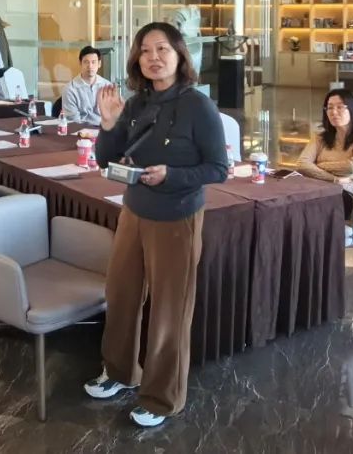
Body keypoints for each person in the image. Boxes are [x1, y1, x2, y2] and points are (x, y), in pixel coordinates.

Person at [83, 22, 228, 428]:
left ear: (180, 55)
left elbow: (218, 168)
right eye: (145, 50)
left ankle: (163, 397)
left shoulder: (198, 106)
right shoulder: (137, 103)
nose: (153, 57)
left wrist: (172, 175)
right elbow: (106, 159)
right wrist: (108, 124)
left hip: (177, 217)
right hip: (134, 210)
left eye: (162, 49)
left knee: (169, 310)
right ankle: (120, 372)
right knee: (121, 294)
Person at [295, 88, 353, 215]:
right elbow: (301, 165)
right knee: (290, 203)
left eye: (340, 107)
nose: (333, 112)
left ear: (352, 109)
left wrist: (317, 166)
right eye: (330, 107)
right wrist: (335, 179)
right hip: (316, 190)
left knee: (307, 208)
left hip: (345, 194)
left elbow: (352, 167)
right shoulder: (319, 138)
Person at [61, 45, 110, 125]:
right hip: (80, 130)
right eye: (86, 62)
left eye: (93, 62)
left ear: (99, 64)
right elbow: (73, 121)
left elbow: (112, 115)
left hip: (104, 129)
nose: (90, 66)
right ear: (80, 63)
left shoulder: (107, 86)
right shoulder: (70, 89)